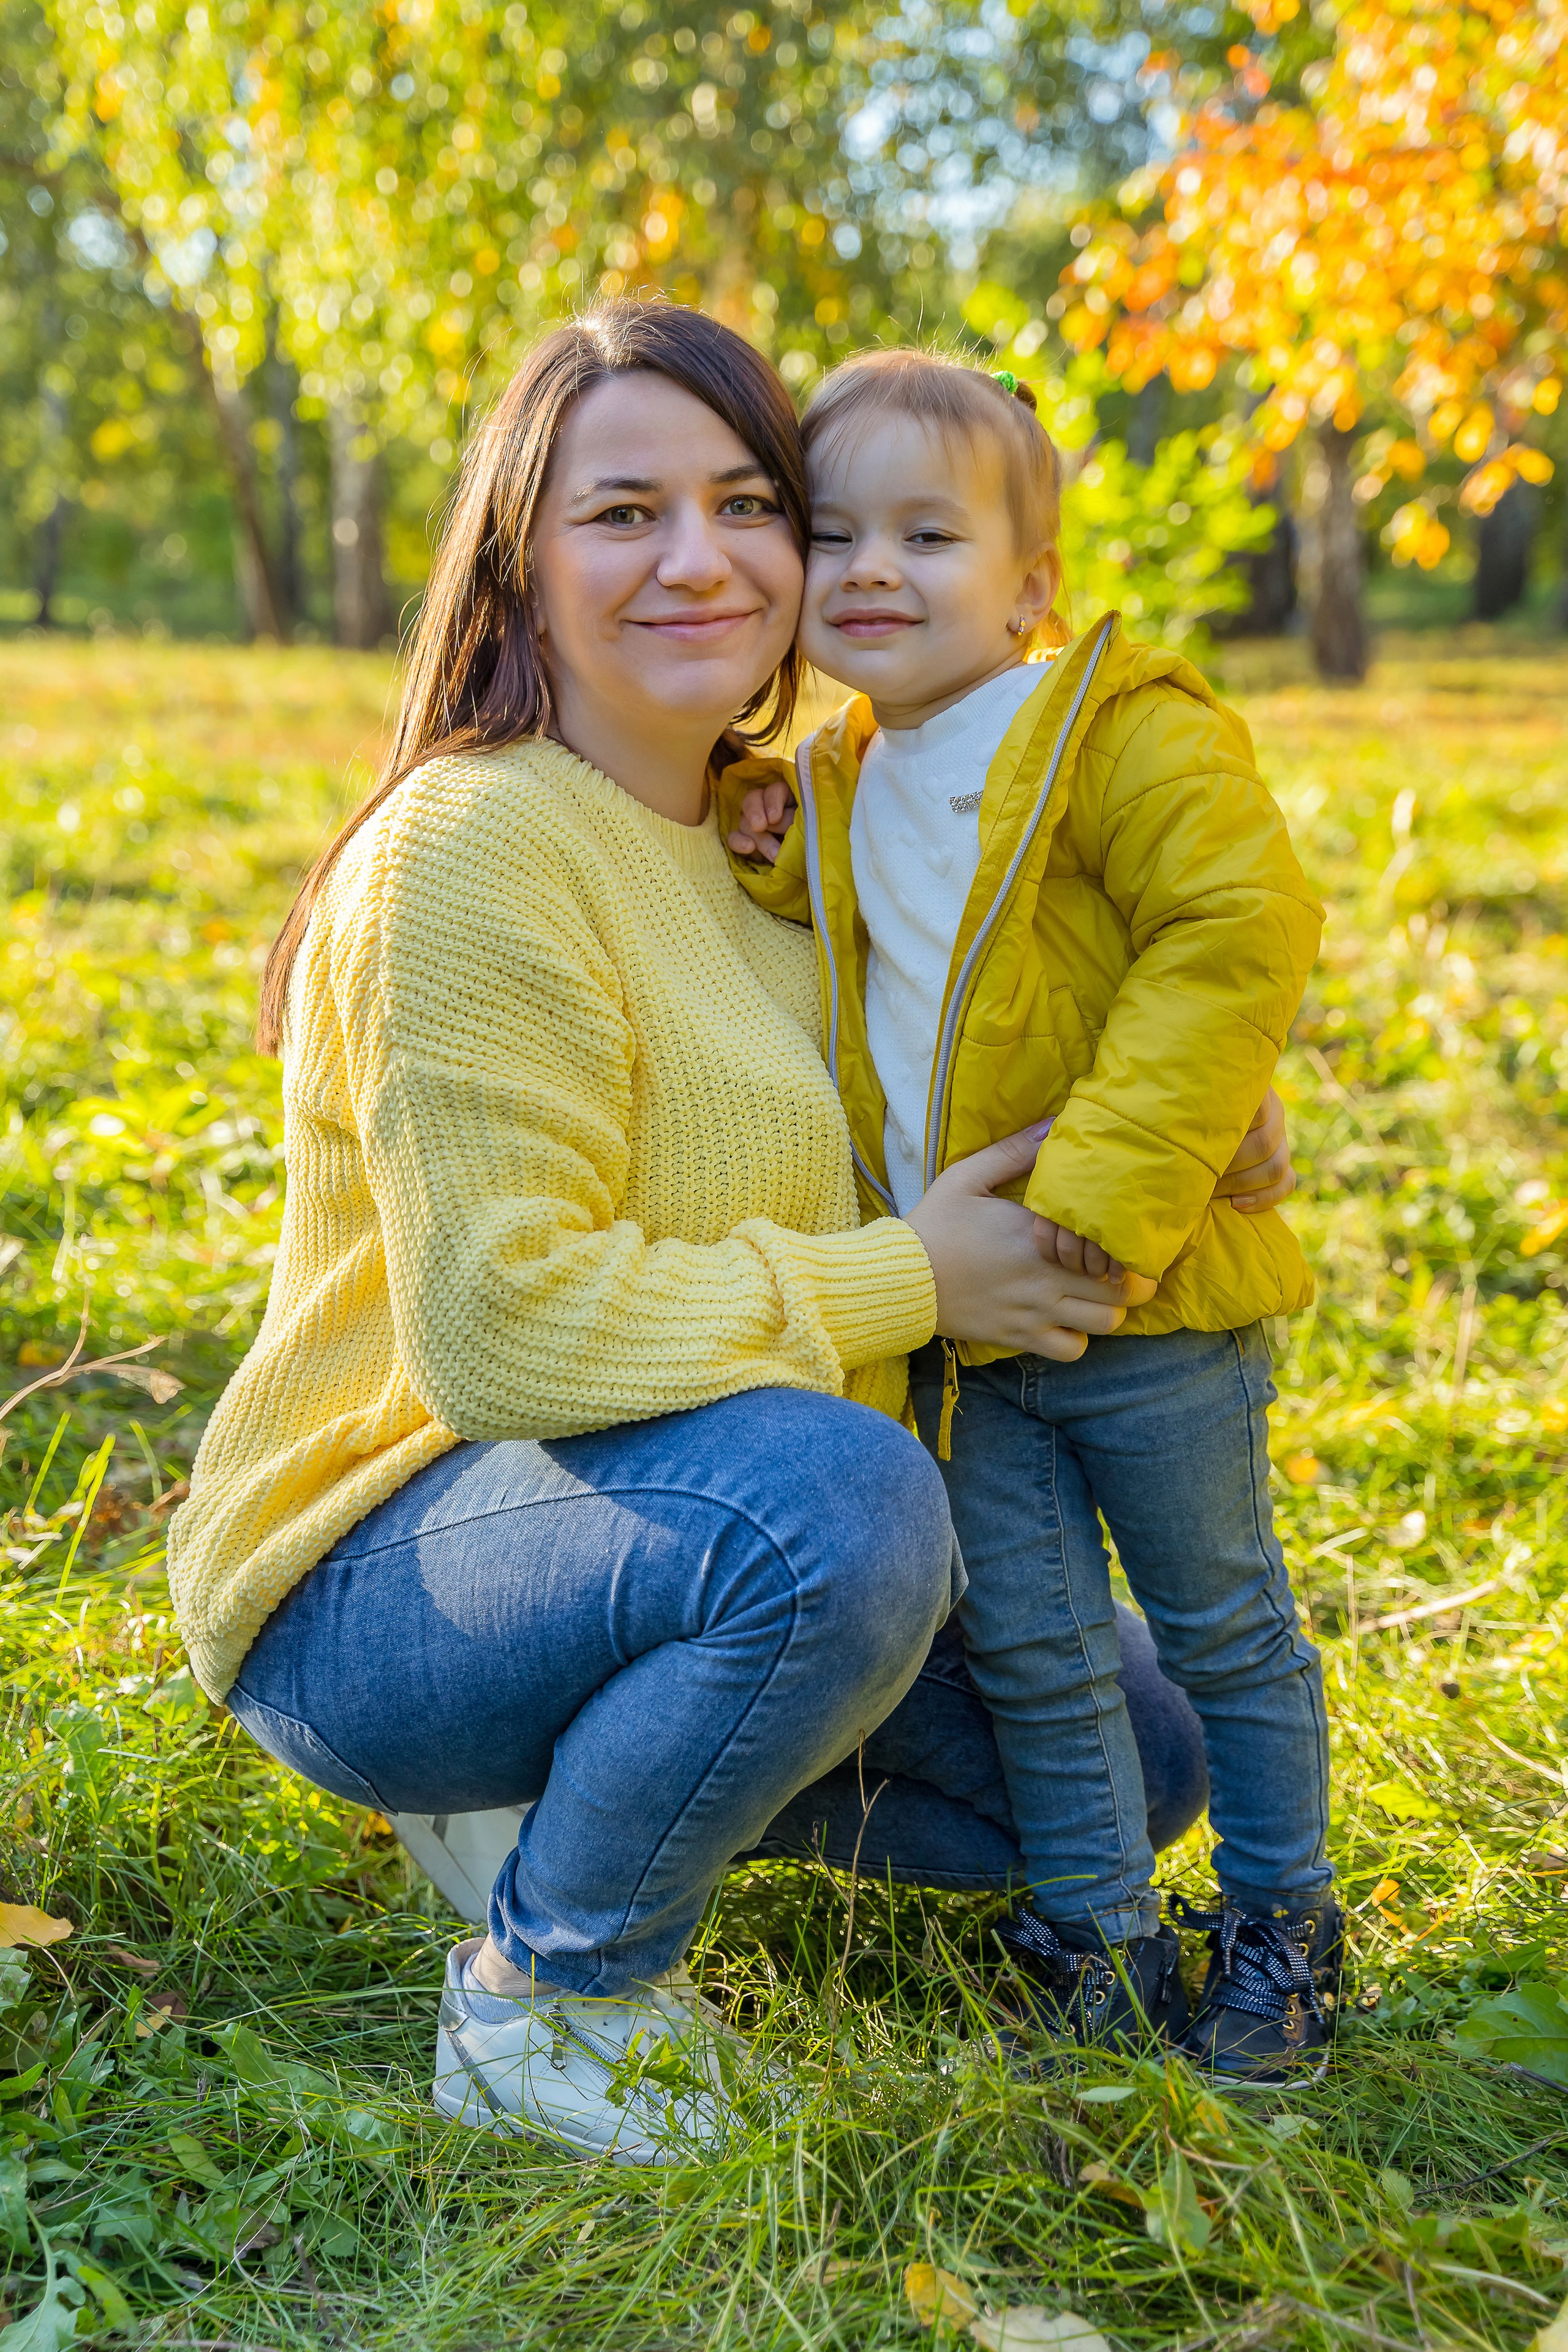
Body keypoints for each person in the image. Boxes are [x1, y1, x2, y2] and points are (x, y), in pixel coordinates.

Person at [166, 304, 1268, 2169]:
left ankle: (594, 1779)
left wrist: (1168, 1113)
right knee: (842, 1510)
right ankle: (555, 1990)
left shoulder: (789, 848)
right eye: (623, 512)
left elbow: (966, 1052)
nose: (701, 558)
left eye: (751, 501)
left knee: (1137, 1752)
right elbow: (493, 1334)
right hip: (382, 1572)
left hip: (663, 1514)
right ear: (519, 562)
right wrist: (914, 1277)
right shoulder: (476, 846)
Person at [723, 347, 1337, 2091]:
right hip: (966, 1335)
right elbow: (898, 958)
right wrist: (763, 838)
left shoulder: (1118, 731)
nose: (870, 572)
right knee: (1035, 1640)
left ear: (1032, 585)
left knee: (1223, 1624)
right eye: (834, 533)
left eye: (929, 535)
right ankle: (1092, 1927)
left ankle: (1282, 1919)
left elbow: (1233, 935)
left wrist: (1116, 1191)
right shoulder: (845, 776)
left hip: (1141, 1302)